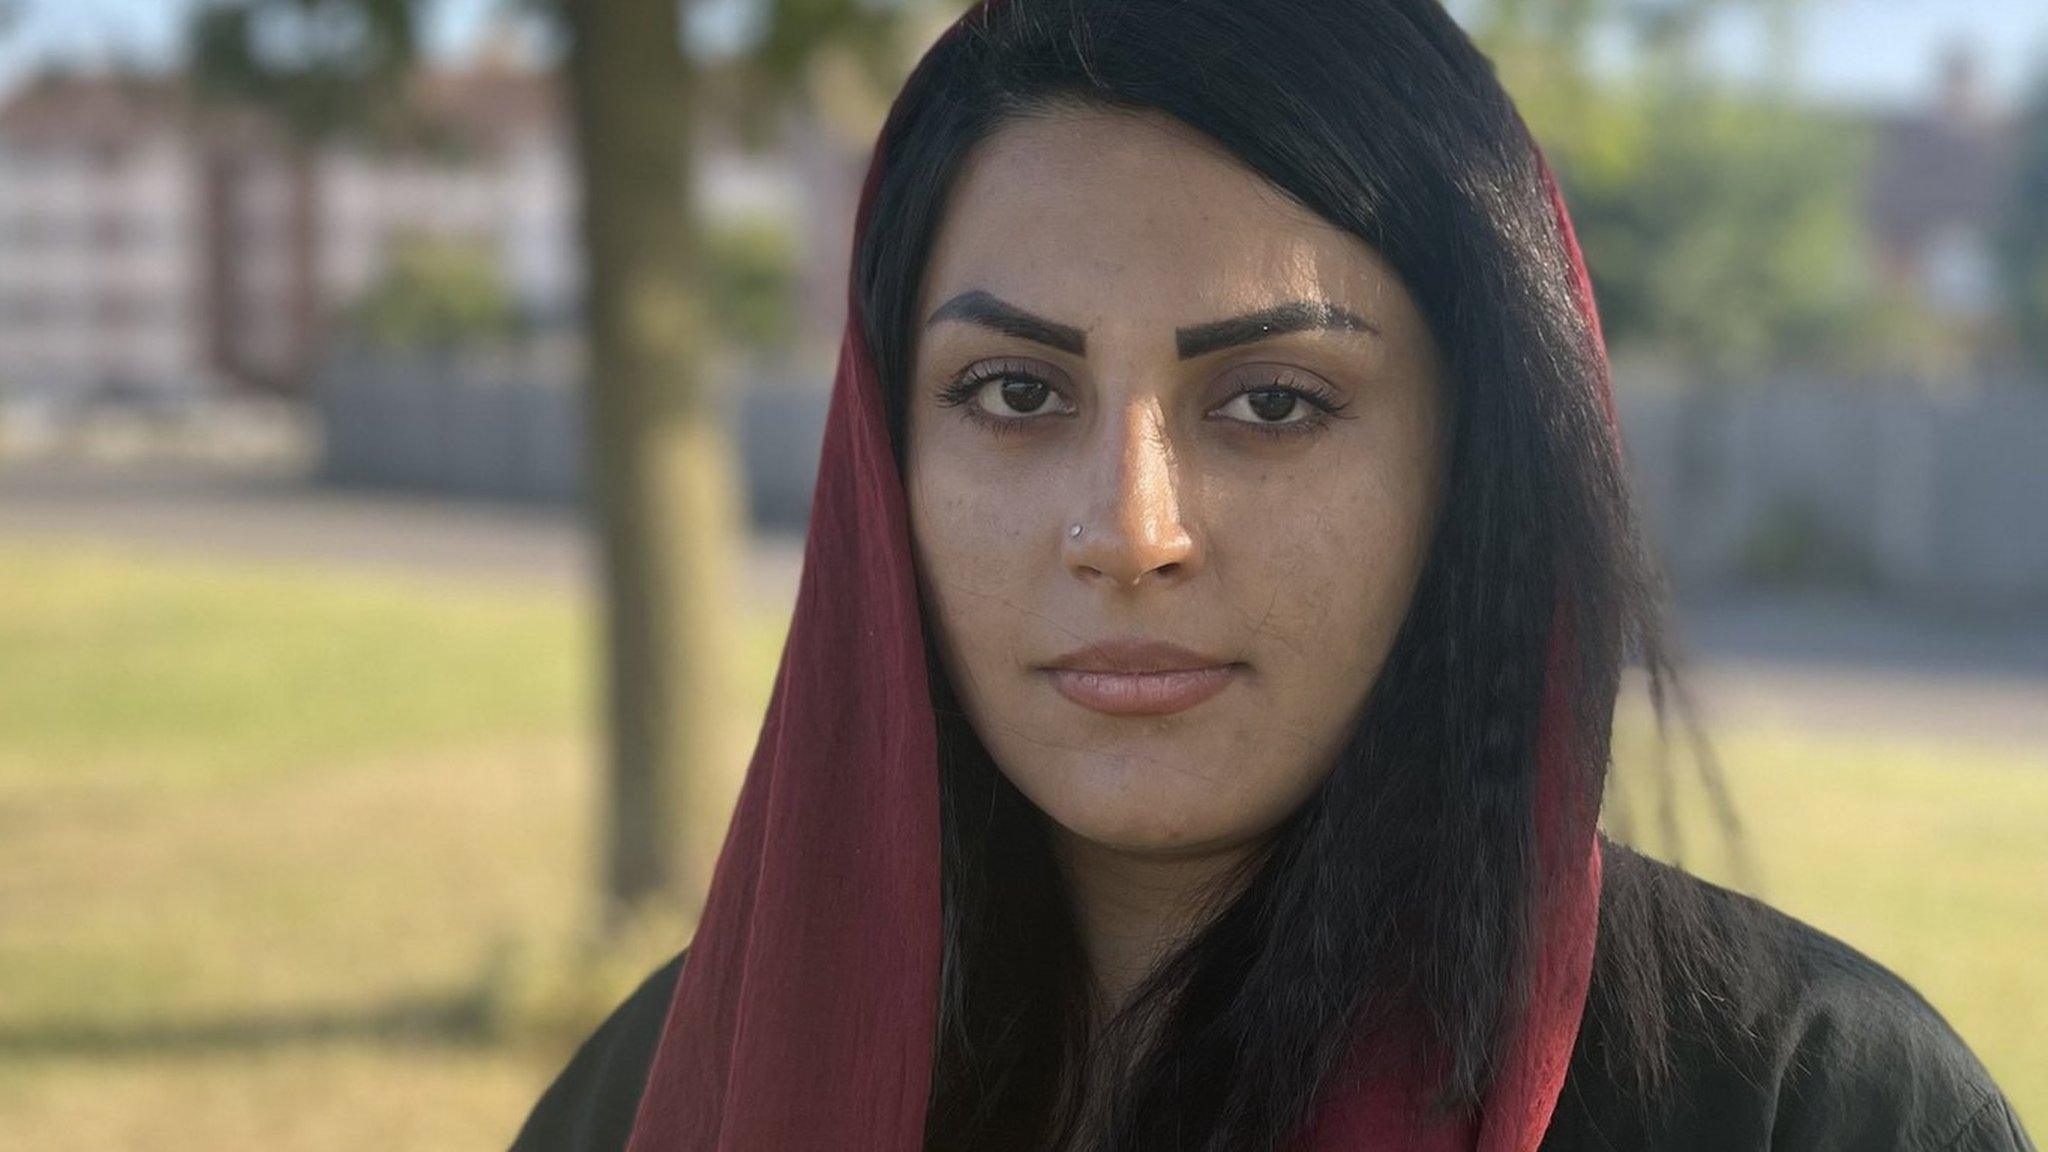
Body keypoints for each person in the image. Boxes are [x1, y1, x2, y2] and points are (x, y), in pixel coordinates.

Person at [512, 1, 2036, 1149]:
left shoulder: (1808, 1107)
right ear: (880, 464)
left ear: (1470, 465)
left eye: (1274, 403)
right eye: (1015, 393)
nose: (1129, 529)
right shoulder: (666, 1093)